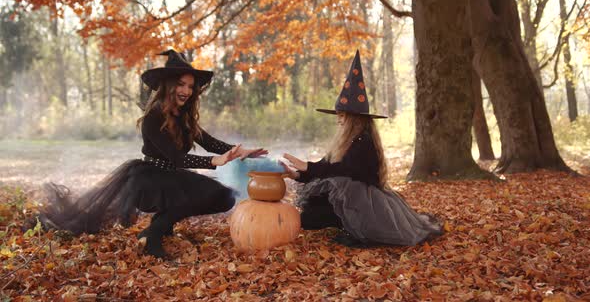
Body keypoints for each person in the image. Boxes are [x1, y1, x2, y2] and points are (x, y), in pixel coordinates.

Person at [38, 50, 267, 258]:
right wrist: (214, 162)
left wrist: (240, 152)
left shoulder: (183, 116)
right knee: (200, 192)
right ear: (168, 85)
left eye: (190, 86)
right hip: (149, 179)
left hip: (172, 177)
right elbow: (176, 158)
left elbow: (210, 142)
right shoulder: (153, 118)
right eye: (181, 84)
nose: (186, 91)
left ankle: (158, 226)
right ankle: (153, 237)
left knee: (224, 197)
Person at [282, 50, 443, 248]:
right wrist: (297, 174)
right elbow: (324, 166)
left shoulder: (364, 141)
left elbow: (342, 170)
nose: (339, 119)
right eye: (338, 115)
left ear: (354, 118)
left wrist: (307, 166)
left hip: (367, 203)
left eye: (343, 115)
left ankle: (352, 226)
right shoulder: (343, 140)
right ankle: (340, 221)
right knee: (309, 217)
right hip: (348, 196)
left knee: (312, 216)